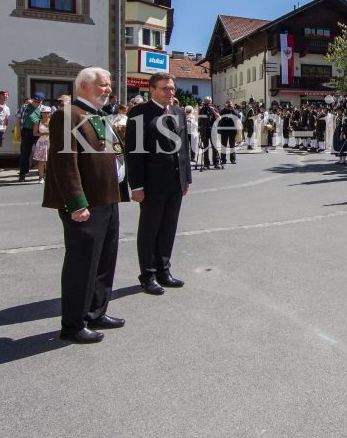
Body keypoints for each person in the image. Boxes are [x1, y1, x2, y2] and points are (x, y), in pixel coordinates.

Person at [43, 67, 129, 343]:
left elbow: (116, 153)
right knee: (82, 265)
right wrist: (76, 203)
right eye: (102, 85)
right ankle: (73, 324)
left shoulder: (100, 116)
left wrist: (124, 184)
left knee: (105, 260)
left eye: (108, 86)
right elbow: (63, 164)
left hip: (107, 197)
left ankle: (96, 312)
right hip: (86, 203)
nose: (108, 90)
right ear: (83, 87)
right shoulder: (67, 115)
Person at [127, 72, 191, 296]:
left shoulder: (178, 112)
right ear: (151, 90)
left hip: (175, 181)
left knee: (168, 229)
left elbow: (184, 148)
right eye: (165, 88)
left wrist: (186, 178)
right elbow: (134, 152)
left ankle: (164, 270)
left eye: (172, 88)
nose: (170, 92)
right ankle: (147, 275)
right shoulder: (140, 112)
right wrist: (136, 185)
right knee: (149, 230)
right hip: (152, 183)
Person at [18, 93, 44, 182]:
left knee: (41, 153)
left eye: (39, 102)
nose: (37, 103)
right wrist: (18, 134)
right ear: (32, 100)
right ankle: (23, 173)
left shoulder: (43, 109)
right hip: (27, 131)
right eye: (35, 101)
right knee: (25, 153)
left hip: (38, 133)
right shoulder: (25, 107)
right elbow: (18, 120)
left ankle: (41, 173)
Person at [197, 97, 221, 169]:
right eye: (207, 103)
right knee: (205, 147)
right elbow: (197, 118)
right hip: (204, 129)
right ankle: (206, 164)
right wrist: (199, 110)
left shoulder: (213, 109)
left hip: (212, 129)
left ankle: (216, 163)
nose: (208, 105)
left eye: (209, 102)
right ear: (204, 103)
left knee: (214, 146)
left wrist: (213, 111)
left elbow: (219, 118)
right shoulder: (202, 110)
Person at [32, 105, 52, 184]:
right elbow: (35, 133)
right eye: (45, 113)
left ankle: (50, 177)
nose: (47, 114)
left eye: (48, 113)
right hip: (42, 142)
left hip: (51, 142)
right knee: (41, 161)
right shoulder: (38, 122)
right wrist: (44, 133)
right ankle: (41, 177)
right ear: (41, 113)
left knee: (51, 161)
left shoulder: (52, 121)